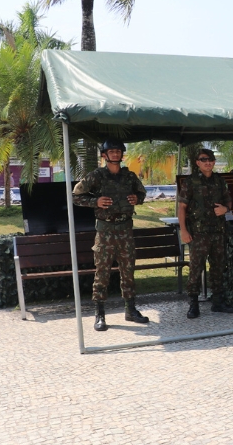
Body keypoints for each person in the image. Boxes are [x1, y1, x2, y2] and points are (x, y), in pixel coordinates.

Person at [72, 138, 149, 332]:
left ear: (122, 154)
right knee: (102, 273)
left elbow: (142, 193)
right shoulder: (96, 176)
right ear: (104, 155)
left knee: (128, 271)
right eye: (111, 151)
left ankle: (130, 310)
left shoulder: (129, 177)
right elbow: (76, 195)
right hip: (105, 231)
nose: (115, 154)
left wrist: (136, 199)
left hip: (125, 230)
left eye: (118, 151)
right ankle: (100, 314)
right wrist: (95, 202)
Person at [178, 148, 233, 318]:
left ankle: (217, 301)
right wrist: (183, 230)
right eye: (203, 159)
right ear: (197, 163)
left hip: (218, 231)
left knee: (218, 267)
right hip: (198, 233)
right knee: (196, 268)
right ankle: (193, 303)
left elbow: (229, 201)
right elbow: (182, 207)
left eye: (210, 159)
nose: (207, 162)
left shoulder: (219, 181)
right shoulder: (190, 182)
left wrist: (225, 209)